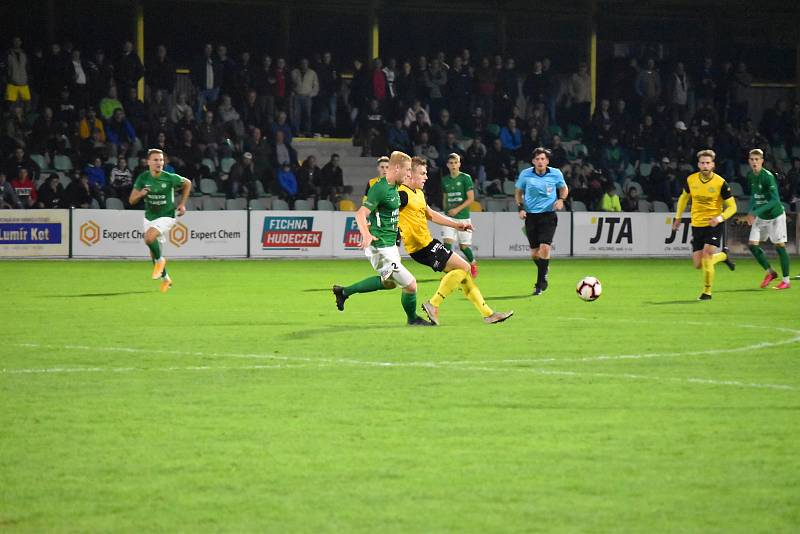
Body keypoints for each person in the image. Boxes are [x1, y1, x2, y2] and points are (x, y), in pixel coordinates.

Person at [400, 157, 513, 325]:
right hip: (421, 247)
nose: (426, 177)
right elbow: (385, 211)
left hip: (427, 244)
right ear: (410, 174)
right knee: (465, 267)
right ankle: (433, 304)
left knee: (464, 274)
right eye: (422, 173)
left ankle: (488, 314)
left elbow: (431, 215)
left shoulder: (418, 194)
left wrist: (457, 225)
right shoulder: (401, 194)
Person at [332, 151, 431, 326]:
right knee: (411, 285)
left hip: (390, 245)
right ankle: (412, 319)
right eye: (407, 170)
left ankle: (344, 292)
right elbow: (360, 213)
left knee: (389, 283)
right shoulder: (380, 188)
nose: (409, 174)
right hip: (380, 247)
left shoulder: (393, 187)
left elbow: (384, 213)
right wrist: (366, 234)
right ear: (397, 168)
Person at [672, 149, 737, 300]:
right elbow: (683, 198)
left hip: (714, 224)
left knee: (707, 255)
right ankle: (722, 256)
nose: (705, 165)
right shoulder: (691, 180)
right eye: (702, 163)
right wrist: (678, 217)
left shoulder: (721, 183)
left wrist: (720, 218)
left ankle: (707, 292)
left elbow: (733, 207)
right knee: (698, 264)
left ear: (713, 165)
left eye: (708, 163)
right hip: (697, 225)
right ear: (698, 165)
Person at [128, 149, 192, 293]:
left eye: (161, 160)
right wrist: (141, 194)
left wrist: (182, 204)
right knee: (153, 253)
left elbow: (187, 183)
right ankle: (166, 279)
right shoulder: (143, 178)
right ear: (148, 162)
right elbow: (131, 200)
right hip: (150, 217)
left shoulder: (169, 178)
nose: (159, 163)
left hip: (167, 216)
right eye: (156, 160)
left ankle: (161, 261)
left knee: (149, 238)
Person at [515, 148, 569, 296]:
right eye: (537, 159)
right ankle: (544, 268)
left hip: (548, 216)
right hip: (531, 216)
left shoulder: (556, 173)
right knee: (534, 253)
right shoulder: (525, 174)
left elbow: (564, 189)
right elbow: (518, 192)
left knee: (544, 248)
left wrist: (561, 199)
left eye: (543, 159)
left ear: (547, 161)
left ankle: (539, 284)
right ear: (533, 161)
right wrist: (520, 208)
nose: (540, 161)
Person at [745, 149, 791, 290]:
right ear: (749, 161)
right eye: (752, 159)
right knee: (752, 245)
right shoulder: (750, 176)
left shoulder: (767, 177)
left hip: (775, 216)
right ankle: (770, 272)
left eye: (757, 159)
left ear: (762, 161)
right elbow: (754, 196)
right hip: (761, 216)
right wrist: (750, 211)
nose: (754, 162)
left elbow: (775, 200)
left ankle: (786, 281)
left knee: (779, 246)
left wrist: (756, 212)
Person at [440, 154, 478, 277]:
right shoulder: (444, 180)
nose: (453, 165)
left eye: (455, 162)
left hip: (463, 217)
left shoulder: (465, 178)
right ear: (447, 165)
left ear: (459, 164)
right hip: (448, 217)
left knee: (463, 247)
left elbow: (471, 198)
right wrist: (445, 210)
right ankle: (449, 270)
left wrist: (456, 209)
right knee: (447, 244)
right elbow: (445, 197)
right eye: (451, 163)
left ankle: (472, 263)